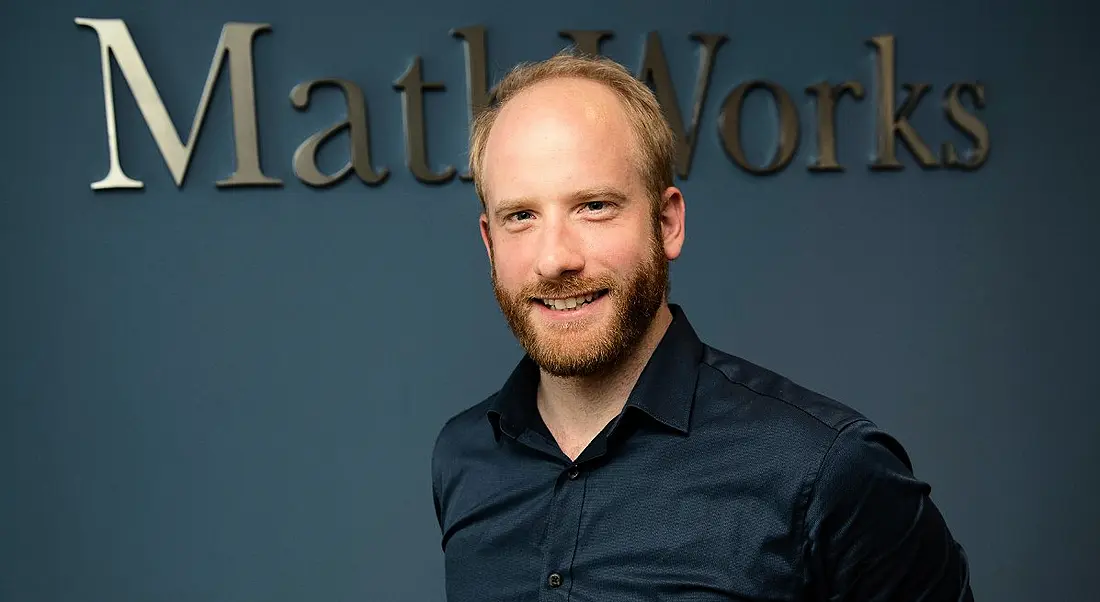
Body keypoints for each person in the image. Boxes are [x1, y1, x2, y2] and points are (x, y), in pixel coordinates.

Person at [430, 50, 974, 601]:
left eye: (594, 206)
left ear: (667, 224)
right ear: (489, 241)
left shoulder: (829, 468)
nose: (555, 259)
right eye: (521, 216)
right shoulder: (464, 455)